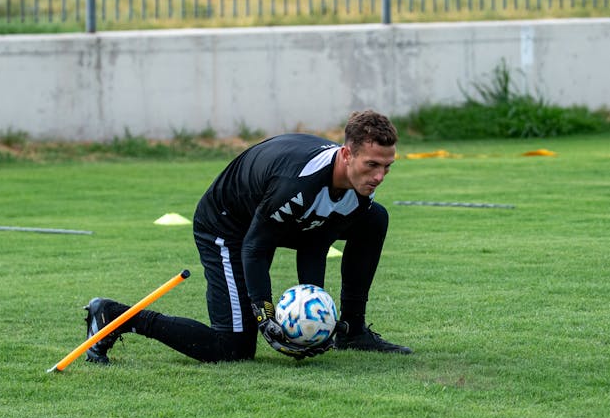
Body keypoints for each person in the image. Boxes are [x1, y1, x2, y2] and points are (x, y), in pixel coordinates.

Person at [83, 109, 411, 364]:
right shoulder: (296, 182)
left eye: (387, 166)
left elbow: (315, 242)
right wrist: (265, 315)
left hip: (272, 220)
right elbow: (256, 246)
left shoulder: (358, 186)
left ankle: (352, 331)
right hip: (226, 227)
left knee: (374, 218)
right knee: (233, 347)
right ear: (346, 154)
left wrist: (315, 316)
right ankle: (113, 316)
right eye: (372, 165)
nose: (379, 176)